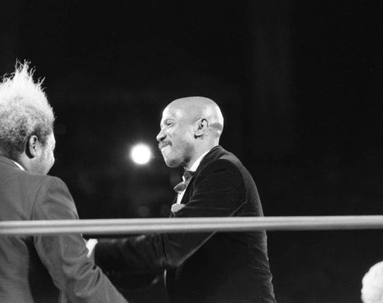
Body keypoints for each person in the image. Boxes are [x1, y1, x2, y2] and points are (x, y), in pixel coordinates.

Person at [0, 62, 127, 303]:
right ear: (34, 144)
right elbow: (77, 279)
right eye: (53, 149)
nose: (53, 159)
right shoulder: (43, 188)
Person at [93, 96, 276, 302]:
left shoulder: (224, 171)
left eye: (168, 124)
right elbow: (152, 268)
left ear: (201, 127)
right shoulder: (200, 178)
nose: (158, 136)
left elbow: (168, 248)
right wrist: (92, 269)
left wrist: (94, 250)